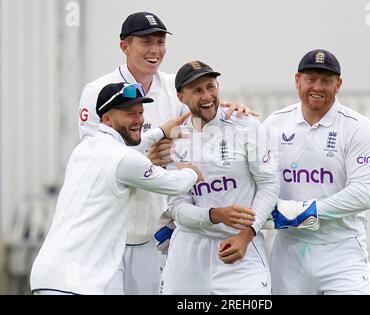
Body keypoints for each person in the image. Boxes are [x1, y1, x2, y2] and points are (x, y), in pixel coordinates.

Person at [77, 12, 253, 294]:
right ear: (124, 46)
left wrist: (231, 111)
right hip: (108, 232)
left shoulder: (175, 89)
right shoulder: (98, 91)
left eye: (160, 42)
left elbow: (202, 121)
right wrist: (145, 160)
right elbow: (95, 161)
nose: (155, 50)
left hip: (154, 232)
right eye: (146, 42)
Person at [30, 82, 202, 295]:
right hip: (75, 283)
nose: (139, 119)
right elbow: (175, 184)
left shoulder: (84, 149)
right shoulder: (124, 160)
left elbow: (127, 146)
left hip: (48, 276)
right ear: (107, 119)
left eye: (140, 112)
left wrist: (158, 132)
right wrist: (192, 171)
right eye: (130, 114)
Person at [159, 61, 280, 295]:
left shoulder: (247, 126)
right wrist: (216, 215)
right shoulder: (173, 136)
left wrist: (247, 234)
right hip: (188, 257)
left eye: (211, 87)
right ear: (180, 97)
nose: (207, 96)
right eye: (197, 90)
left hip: (241, 250)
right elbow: (177, 207)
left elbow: (269, 184)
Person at [263, 49, 370, 295]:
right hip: (290, 251)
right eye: (310, 79)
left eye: (326, 81)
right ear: (297, 80)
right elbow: (255, 179)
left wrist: (304, 211)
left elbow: (362, 195)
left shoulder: (357, 126)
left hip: (342, 251)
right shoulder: (274, 123)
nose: (318, 86)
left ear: (338, 85)